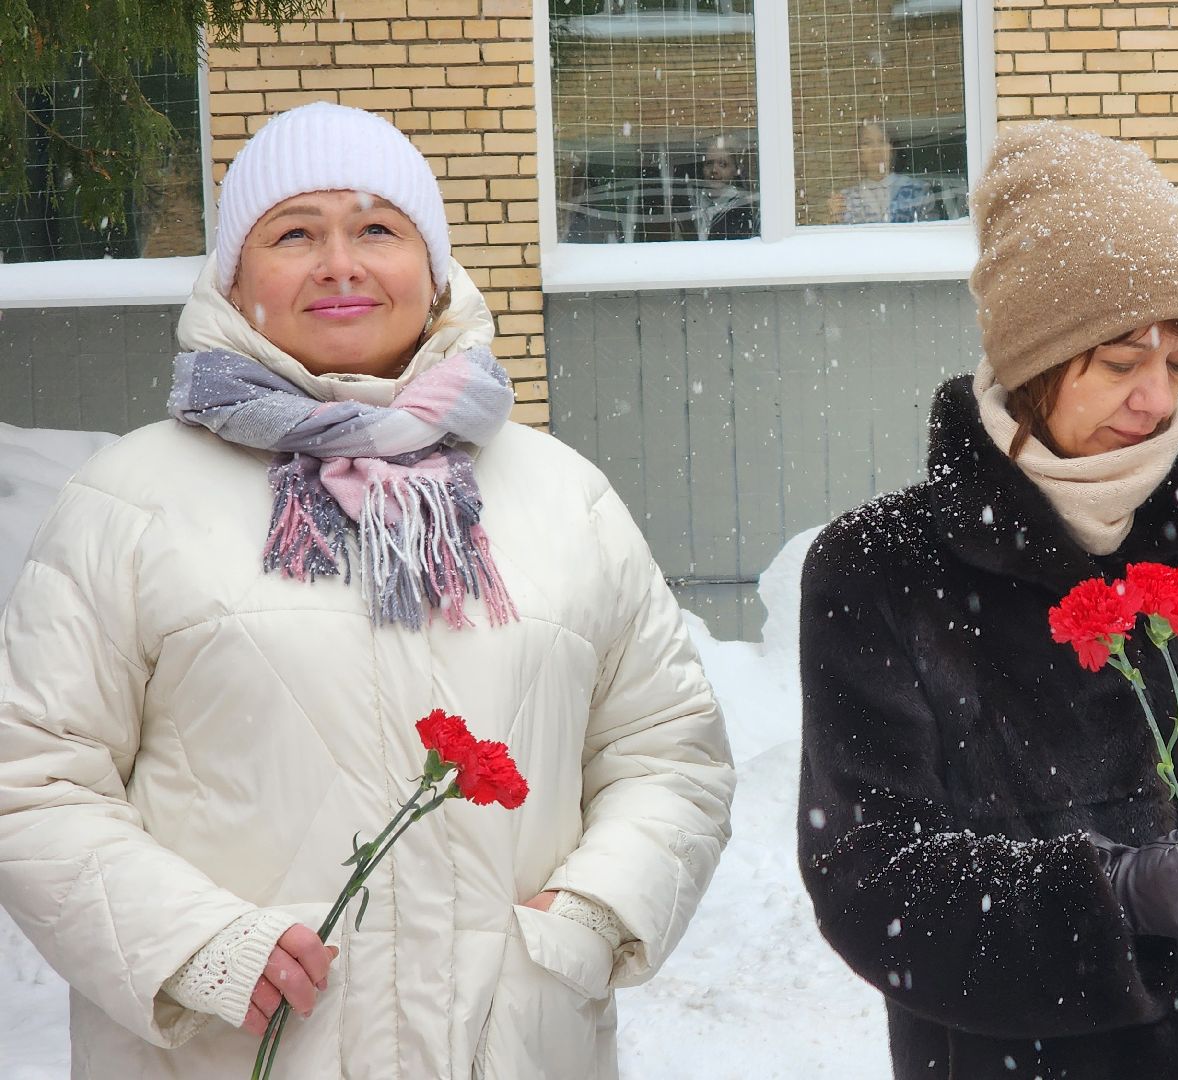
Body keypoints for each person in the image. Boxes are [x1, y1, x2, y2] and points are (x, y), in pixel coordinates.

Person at [0, 102, 735, 1077]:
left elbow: (668, 755)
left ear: (430, 271)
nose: (340, 264)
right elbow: (35, 783)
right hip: (235, 1052)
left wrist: (592, 913)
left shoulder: (565, 498)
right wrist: (191, 945)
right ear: (234, 275)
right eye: (294, 233)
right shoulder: (130, 503)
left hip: (511, 1048)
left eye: (377, 230)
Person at [799, 120, 1178, 1079]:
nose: (1157, 399)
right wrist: (1116, 899)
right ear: (1034, 359)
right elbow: (872, 880)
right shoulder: (880, 567)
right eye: (1120, 363)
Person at [829, 119, 944, 224]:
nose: (876, 149)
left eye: (882, 141)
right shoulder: (845, 200)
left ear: (892, 149)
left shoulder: (918, 190)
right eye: (867, 143)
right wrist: (834, 219)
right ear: (858, 152)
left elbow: (931, 236)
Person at [688, 132, 758, 241]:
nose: (714, 170)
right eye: (709, 163)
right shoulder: (692, 201)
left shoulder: (742, 206)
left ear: (735, 170)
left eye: (723, 164)